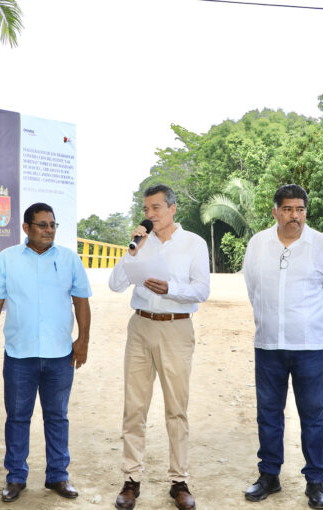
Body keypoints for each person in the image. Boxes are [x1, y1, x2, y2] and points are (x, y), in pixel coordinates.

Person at [241, 184, 323, 509]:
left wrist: (311, 321)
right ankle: (269, 476)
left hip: (309, 348)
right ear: (275, 211)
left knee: (312, 416)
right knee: (269, 415)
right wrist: (269, 320)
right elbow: (253, 287)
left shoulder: (321, 246)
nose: (294, 216)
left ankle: (315, 482)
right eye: (287, 209)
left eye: (299, 209)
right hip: (268, 345)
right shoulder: (258, 244)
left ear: (306, 212)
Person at [0, 202, 92, 504]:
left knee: (57, 417)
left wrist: (83, 340)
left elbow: (81, 301)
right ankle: (16, 477)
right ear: (26, 228)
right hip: (20, 354)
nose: (49, 230)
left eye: (53, 225)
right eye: (42, 225)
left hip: (60, 354)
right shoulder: (7, 260)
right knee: (17, 417)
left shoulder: (69, 259)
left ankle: (58, 475)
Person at [108, 184, 210, 510]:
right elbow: (114, 284)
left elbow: (202, 289)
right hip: (140, 327)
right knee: (134, 407)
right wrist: (132, 251)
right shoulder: (140, 243)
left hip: (176, 327)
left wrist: (172, 288)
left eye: (155, 208)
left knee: (176, 409)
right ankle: (131, 480)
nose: (149, 215)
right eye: (146, 209)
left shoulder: (193, 243)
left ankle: (179, 481)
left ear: (172, 209)